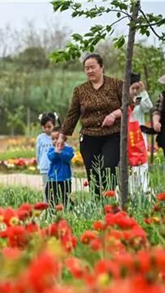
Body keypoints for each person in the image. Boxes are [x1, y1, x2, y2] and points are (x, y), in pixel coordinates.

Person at [59, 53, 123, 198]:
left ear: (101, 67)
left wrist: (114, 115)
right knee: (93, 172)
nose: (89, 71)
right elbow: (72, 114)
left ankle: (110, 200)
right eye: (86, 68)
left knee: (109, 168)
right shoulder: (80, 90)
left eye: (92, 67)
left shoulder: (117, 84)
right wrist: (62, 136)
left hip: (112, 135)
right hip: (89, 137)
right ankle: (97, 203)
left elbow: (129, 105)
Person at [128, 72, 152, 194]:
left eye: (137, 88)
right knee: (130, 166)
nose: (135, 91)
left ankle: (144, 189)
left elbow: (148, 107)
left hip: (140, 136)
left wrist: (143, 92)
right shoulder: (121, 100)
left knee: (142, 163)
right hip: (127, 137)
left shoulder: (140, 99)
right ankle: (131, 190)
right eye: (133, 88)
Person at [46, 126, 74, 208]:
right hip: (53, 179)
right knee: (51, 196)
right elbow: (51, 158)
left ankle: (68, 208)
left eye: (57, 138)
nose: (54, 141)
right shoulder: (52, 150)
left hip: (65, 179)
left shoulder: (69, 149)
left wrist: (61, 152)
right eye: (52, 139)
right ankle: (52, 209)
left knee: (65, 196)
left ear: (63, 138)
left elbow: (68, 158)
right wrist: (56, 152)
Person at [36, 112, 59, 194]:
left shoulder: (56, 137)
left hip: (55, 167)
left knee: (56, 187)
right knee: (46, 187)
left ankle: (56, 204)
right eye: (44, 127)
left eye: (49, 127)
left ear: (54, 125)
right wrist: (39, 164)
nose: (46, 129)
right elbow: (38, 152)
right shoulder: (40, 138)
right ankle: (46, 204)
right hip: (44, 168)